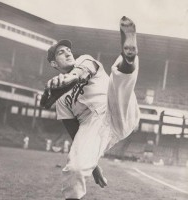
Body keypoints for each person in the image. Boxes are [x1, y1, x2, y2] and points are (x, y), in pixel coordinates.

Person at [44, 16, 140, 200]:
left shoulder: (84, 60)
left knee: (117, 79)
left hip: (115, 107)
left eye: (68, 50)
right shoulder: (61, 99)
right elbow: (76, 135)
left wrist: (72, 77)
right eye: (60, 53)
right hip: (92, 125)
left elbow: (86, 68)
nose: (67, 53)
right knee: (75, 168)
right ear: (54, 64)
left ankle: (128, 58)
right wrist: (93, 165)